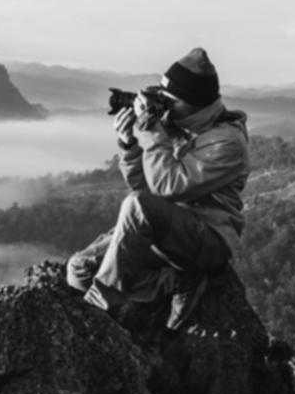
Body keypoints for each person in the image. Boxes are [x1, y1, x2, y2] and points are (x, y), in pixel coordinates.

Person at [66, 47, 250, 330]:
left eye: (169, 101)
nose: (163, 106)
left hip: (207, 239)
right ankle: (175, 283)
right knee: (79, 270)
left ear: (193, 103)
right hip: (167, 233)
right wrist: (129, 146)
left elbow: (167, 187)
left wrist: (153, 132)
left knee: (136, 205)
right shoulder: (176, 126)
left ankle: (101, 308)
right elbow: (146, 188)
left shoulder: (227, 143)